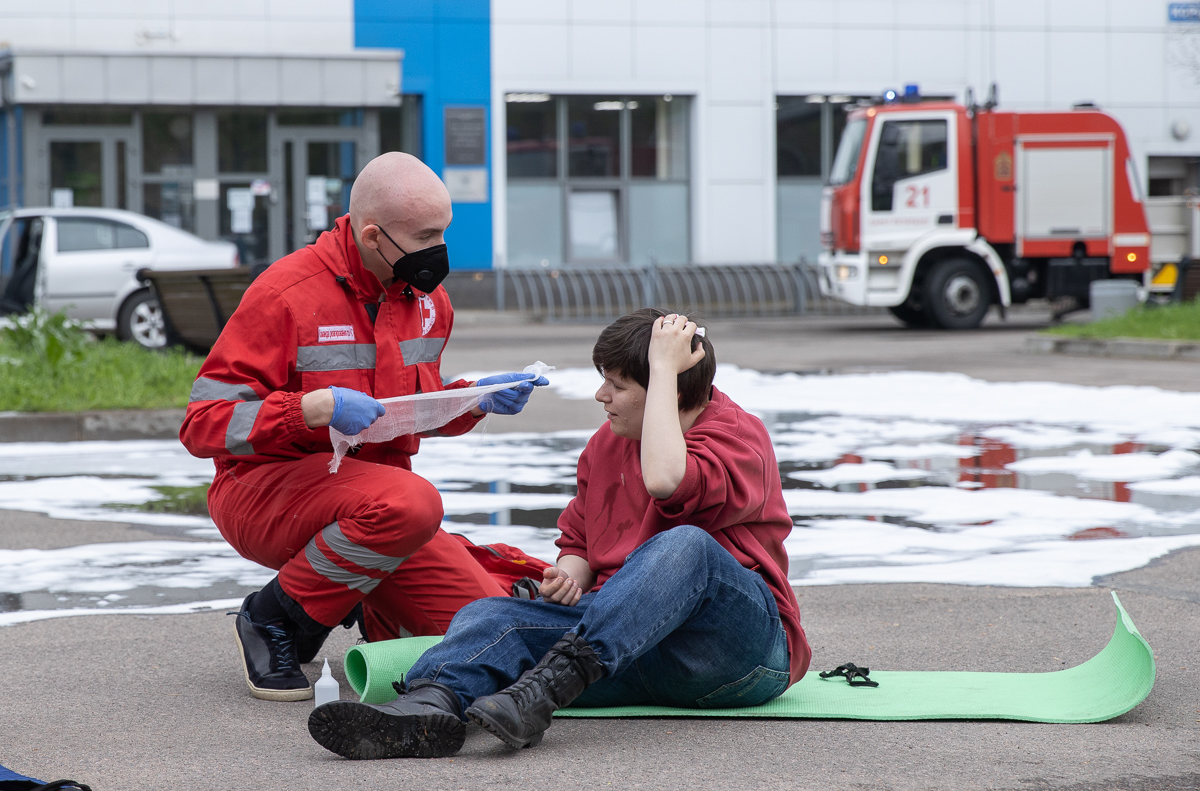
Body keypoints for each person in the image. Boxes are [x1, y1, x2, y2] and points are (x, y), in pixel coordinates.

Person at [308, 308, 811, 759]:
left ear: (667, 389)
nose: (601, 395)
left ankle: (545, 688)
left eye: (617, 384)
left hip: (735, 653)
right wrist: (568, 575)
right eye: (603, 379)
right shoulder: (605, 445)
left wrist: (662, 367)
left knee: (687, 546)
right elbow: (580, 544)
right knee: (490, 615)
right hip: (627, 647)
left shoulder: (736, 435)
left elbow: (666, 481)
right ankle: (423, 711)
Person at [179, 152, 548, 702]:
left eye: (443, 230)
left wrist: (472, 400)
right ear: (373, 236)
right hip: (266, 491)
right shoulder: (286, 293)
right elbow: (202, 425)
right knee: (413, 504)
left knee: (498, 642)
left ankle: (360, 592)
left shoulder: (428, 300)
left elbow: (405, 409)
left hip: (377, 503)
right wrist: (312, 409)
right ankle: (274, 617)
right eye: (425, 234)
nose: (438, 248)